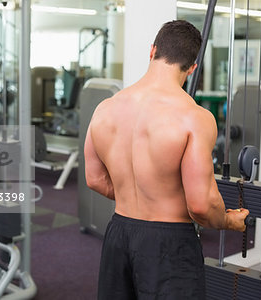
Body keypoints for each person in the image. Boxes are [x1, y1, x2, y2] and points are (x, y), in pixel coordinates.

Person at [84, 20, 249, 299]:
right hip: (168, 243)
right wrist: (229, 222)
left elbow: (95, 179)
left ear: (152, 51)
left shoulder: (105, 109)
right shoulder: (194, 117)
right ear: (192, 67)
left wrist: (134, 195)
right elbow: (200, 205)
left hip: (118, 234)